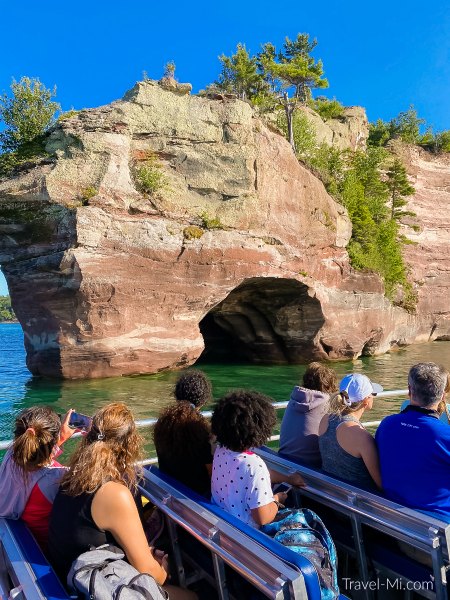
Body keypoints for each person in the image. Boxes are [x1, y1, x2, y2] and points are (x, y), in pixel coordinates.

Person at [48, 402, 196, 600]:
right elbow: (151, 574)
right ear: (129, 444)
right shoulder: (114, 493)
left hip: (69, 578)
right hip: (92, 588)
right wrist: (163, 569)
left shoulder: (72, 477)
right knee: (192, 596)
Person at [210, 390, 304, 528]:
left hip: (222, 522)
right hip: (245, 535)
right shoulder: (253, 464)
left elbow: (259, 475)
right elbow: (263, 517)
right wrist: (277, 499)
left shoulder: (220, 451)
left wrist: (288, 478)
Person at [376, 363, 450, 519]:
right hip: (438, 527)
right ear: (443, 395)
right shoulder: (445, 435)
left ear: (409, 391)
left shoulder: (386, 425)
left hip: (393, 518)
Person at [0, 406, 76, 551]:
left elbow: (32, 454)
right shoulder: (56, 478)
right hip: (40, 550)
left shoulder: (11, 454)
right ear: (52, 440)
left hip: (10, 536)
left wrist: (59, 440)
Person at [153, 370, 213, 496]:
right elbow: (211, 472)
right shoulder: (200, 428)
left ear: (177, 394)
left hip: (169, 487)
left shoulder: (163, 422)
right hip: (195, 495)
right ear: (203, 399)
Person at [318, 373, 383, 490]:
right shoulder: (361, 437)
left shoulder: (326, 419)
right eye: (373, 394)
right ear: (366, 400)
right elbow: (380, 483)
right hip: (357, 502)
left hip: (329, 493)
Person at [279, 362, 338, 468]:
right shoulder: (327, 403)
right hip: (311, 467)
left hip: (283, 461)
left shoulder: (295, 398)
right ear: (329, 384)